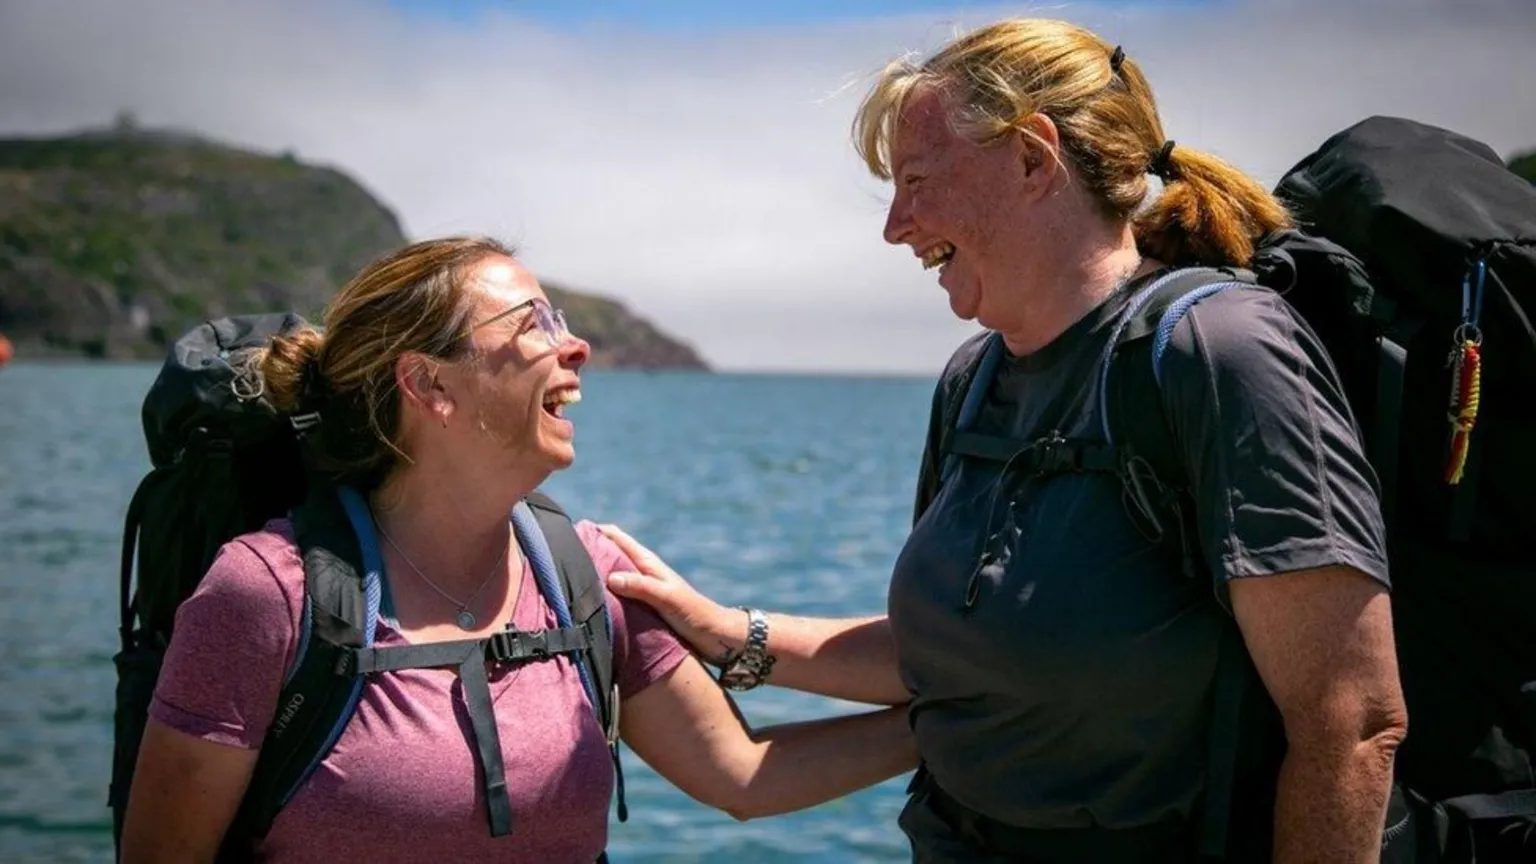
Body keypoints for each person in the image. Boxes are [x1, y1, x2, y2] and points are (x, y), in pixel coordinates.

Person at [597, 17, 1410, 864]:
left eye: (918, 180)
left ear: (1032, 158)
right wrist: (733, 633)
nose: (896, 226)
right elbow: (955, 656)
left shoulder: (1219, 354)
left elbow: (1352, 724)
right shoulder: (972, 380)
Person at [117, 236, 919, 864]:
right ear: (430, 385)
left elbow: (744, 773)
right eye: (534, 325)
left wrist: (990, 719)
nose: (576, 349)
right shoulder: (268, 595)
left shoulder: (587, 574)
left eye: (562, 321)